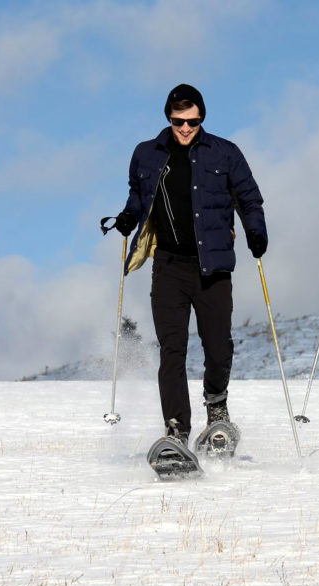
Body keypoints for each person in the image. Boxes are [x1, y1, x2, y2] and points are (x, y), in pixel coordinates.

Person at [112, 83, 267, 449]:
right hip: (167, 266)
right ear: (169, 117)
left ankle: (217, 407)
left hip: (212, 268)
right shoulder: (146, 153)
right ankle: (176, 428)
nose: (185, 128)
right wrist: (127, 217)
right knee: (172, 349)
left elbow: (249, 197)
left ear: (202, 119)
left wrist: (256, 232)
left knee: (218, 346)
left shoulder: (224, 153)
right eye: (179, 121)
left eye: (193, 122)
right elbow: (138, 196)